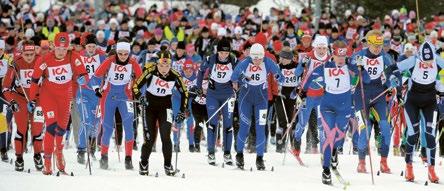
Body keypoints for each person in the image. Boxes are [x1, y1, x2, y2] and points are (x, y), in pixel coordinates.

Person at [303, 40, 370, 184]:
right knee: (329, 137)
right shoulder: (324, 66)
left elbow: (368, 79)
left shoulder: (351, 66)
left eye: (343, 56)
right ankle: (326, 170)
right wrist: (302, 92)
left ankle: (334, 152)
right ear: (332, 54)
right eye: (338, 56)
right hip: (327, 106)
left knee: (338, 139)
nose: (341, 60)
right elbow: (309, 77)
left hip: (344, 108)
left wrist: (362, 69)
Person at [28, 32, 88, 175]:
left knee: (61, 129)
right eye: (58, 48)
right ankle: (47, 163)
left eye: (64, 48)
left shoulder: (73, 56)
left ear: (68, 47)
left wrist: (82, 79)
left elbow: (84, 75)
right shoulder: (44, 59)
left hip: (65, 96)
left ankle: (59, 155)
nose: (61, 52)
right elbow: (35, 80)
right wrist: (31, 99)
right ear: (53, 46)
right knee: (51, 126)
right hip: (48, 95)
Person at [389, 41, 443, 183]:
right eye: (424, 61)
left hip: (430, 101)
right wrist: (396, 82)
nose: (427, 64)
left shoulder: (437, 60)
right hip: (412, 101)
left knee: (430, 136)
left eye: (430, 61)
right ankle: (409, 166)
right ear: (419, 57)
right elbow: (392, 69)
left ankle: (431, 170)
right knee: (413, 135)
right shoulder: (413, 60)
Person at [132, 50, 188, 176]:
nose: (164, 69)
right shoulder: (150, 70)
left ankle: (168, 165)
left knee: (166, 137)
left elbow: (185, 92)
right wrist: (141, 97)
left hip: (165, 107)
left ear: (171, 65)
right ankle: (144, 163)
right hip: (149, 107)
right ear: (157, 64)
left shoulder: (175, 75)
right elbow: (136, 86)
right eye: (161, 65)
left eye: (167, 66)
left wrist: (182, 111)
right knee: (149, 138)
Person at [89, 39, 142, 170]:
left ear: (129, 53)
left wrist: (140, 94)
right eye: (120, 53)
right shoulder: (110, 60)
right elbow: (95, 77)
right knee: (107, 128)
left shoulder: (133, 62)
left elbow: (142, 80)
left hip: (126, 96)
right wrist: (97, 89)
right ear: (117, 52)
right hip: (108, 96)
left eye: (125, 53)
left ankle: (128, 158)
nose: (123, 56)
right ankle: (104, 156)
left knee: (129, 127)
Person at [231, 43, 283, 170]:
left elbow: (280, 75)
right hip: (246, 98)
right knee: (244, 126)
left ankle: (259, 158)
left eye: (259, 58)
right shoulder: (245, 62)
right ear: (251, 56)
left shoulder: (268, 62)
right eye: (255, 58)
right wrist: (243, 79)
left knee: (260, 128)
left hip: (261, 99)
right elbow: (233, 77)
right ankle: (239, 155)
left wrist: (277, 77)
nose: (257, 61)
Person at [351, 30, 396, 174]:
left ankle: (383, 162)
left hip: (379, 94)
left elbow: (395, 72)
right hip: (361, 94)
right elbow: (346, 65)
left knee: (385, 128)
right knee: (365, 129)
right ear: (368, 43)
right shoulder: (359, 55)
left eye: (380, 45)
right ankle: (362, 162)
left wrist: (394, 81)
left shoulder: (386, 56)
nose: (377, 48)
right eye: (374, 45)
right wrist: (357, 69)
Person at [196, 37, 237, 166]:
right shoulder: (210, 59)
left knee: (228, 125)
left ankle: (227, 153)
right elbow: (201, 71)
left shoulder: (233, 60)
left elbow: (241, 73)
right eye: (221, 52)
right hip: (213, 94)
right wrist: (199, 88)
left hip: (228, 94)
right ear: (217, 51)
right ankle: (211, 152)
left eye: (226, 53)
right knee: (212, 123)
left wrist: (238, 85)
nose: (224, 55)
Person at [294, 35, 330, 155]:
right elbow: (297, 73)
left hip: (322, 98)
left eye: (324, 48)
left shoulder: (329, 59)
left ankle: (324, 152)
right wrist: (302, 64)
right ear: (315, 47)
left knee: (322, 126)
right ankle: (296, 144)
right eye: (319, 48)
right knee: (302, 123)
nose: (321, 51)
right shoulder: (308, 56)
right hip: (307, 96)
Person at [76, 34, 106, 163]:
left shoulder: (101, 56)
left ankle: (92, 149)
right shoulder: (79, 56)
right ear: (85, 46)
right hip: (83, 93)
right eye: (89, 46)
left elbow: (109, 69)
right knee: (86, 121)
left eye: (93, 46)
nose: (91, 49)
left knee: (95, 124)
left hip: (98, 95)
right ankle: (81, 150)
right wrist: (78, 78)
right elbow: (73, 71)